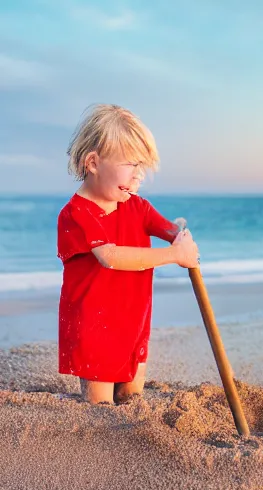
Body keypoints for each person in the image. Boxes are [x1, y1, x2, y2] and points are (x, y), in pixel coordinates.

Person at [57, 104, 199, 405]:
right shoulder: (77, 213)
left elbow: (168, 229)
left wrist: (181, 235)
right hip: (94, 325)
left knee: (132, 396)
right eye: (131, 166)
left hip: (133, 319)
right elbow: (110, 256)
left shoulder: (136, 206)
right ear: (93, 163)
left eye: (142, 168)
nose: (139, 177)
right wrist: (174, 256)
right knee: (101, 405)